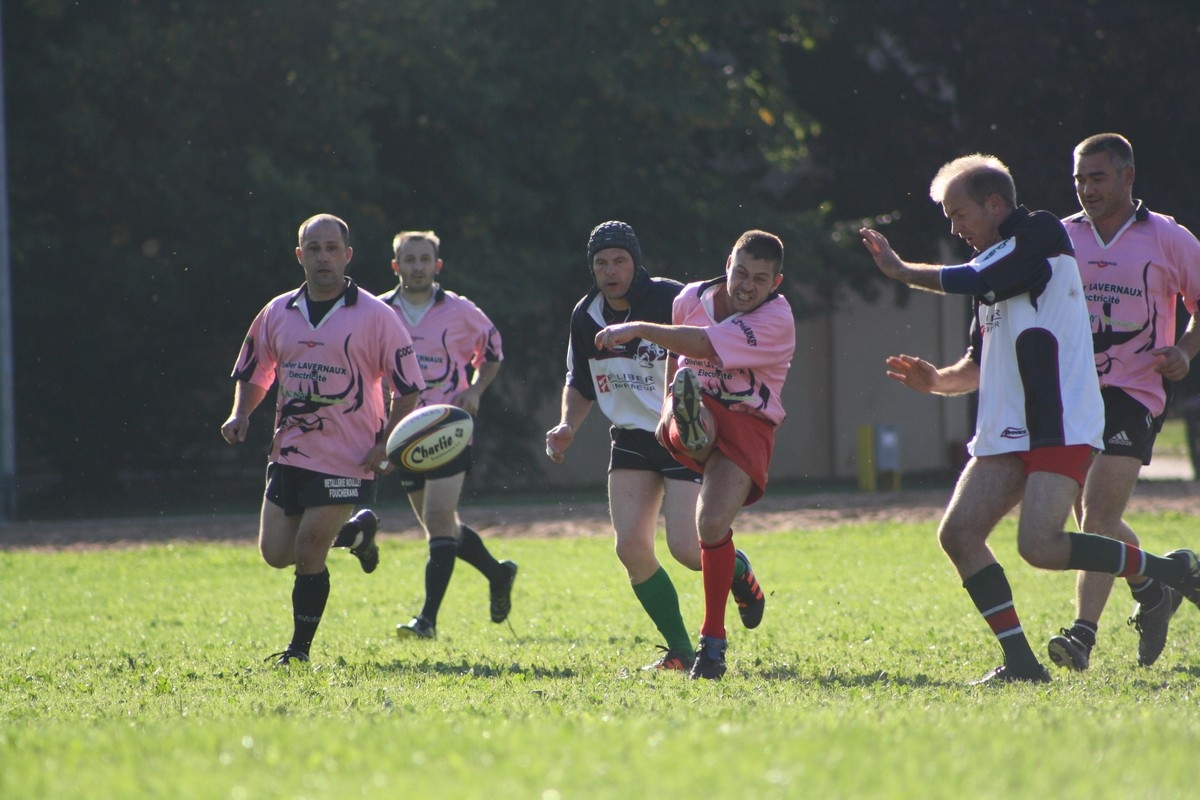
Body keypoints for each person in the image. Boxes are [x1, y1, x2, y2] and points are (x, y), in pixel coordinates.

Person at [859, 154, 1200, 684]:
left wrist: (903, 272)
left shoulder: (1041, 232)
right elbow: (977, 363)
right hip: (1006, 427)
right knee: (959, 534)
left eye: (960, 214)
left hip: (1060, 421)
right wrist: (937, 381)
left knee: (1040, 546)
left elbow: (975, 276)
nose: (955, 228)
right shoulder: (993, 265)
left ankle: (1170, 572)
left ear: (996, 203)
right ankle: (1020, 662)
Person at [546, 221, 766, 673]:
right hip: (630, 437)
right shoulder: (585, 315)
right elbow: (580, 380)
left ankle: (739, 571)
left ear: (636, 263)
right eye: (601, 263)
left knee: (686, 548)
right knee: (631, 548)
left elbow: (715, 339)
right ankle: (680, 650)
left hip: (681, 434)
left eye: (619, 261)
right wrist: (567, 424)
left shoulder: (672, 299)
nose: (611, 271)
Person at [221, 213, 424, 665]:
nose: (323, 257)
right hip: (290, 450)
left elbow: (408, 388)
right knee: (277, 554)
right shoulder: (277, 312)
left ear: (347, 255)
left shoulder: (377, 316)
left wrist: (387, 442)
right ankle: (357, 534)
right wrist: (240, 413)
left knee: (310, 548)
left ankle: (298, 651)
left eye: (332, 248)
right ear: (300, 256)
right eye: (314, 248)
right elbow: (255, 370)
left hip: (350, 457)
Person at [594, 229, 793, 680]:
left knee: (709, 527)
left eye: (760, 279)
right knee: (691, 409)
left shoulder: (777, 317)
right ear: (728, 264)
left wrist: (637, 327)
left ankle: (715, 632)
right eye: (741, 272)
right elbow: (676, 353)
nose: (747, 286)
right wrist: (669, 398)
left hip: (748, 422)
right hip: (696, 410)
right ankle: (707, 648)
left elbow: (700, 345)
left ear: (775, 283)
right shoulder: (690, 298)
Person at [1046, 133, 1200, 671]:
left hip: (1136, 393)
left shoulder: (1167, 237)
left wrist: (1183, 351)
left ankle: (1082, 635)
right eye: (1079, 180)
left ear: (1127, 176)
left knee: (1099, 516)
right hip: (1071, 394)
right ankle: (1159, 582)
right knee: (1089, 514)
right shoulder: (1062, 237)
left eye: (1098, 178)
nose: (1087, 189)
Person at [375, 230, 515, 640]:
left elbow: (493, 352)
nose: (417, 266)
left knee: (438, 520)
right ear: (396, 265)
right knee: (443, 527)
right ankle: (498, 573)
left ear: (437, 266)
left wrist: (475, 390)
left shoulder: (461, 310)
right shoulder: (378, 312)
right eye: (409, 259)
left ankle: (427, 621)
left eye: (425, 259)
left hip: (449, 429)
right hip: (403, 434)